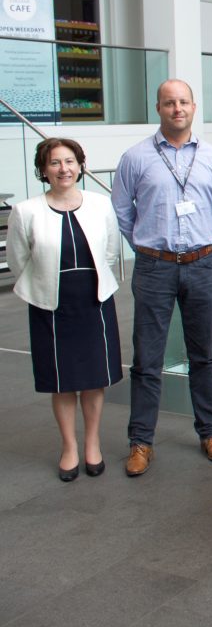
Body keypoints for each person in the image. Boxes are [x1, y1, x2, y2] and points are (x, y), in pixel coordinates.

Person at [112, 78, 212, 476]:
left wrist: (202, 240)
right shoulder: (136, 157)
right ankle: (140, 442)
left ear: (193, 107)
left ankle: (210, 431)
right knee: (147, 359)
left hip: (201, 265)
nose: (177, 108)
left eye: (183, 102)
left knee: (204, 355)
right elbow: (121, 210)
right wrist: (146, 246)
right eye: (169, 103)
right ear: (158, 108)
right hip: (154, 266)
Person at [8, 138, 122, 481]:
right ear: (44, 170)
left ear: (80, 165)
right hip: (51, 303)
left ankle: (92, 443)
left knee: (93, 378)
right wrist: (39, 285)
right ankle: (69, 446)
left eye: (70, 161)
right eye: (55, 163)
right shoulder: (25, 211)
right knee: (61, 381)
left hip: (94, 300)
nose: (64, 169)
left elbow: (111, 251)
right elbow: (18, 260)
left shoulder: (101, 204)